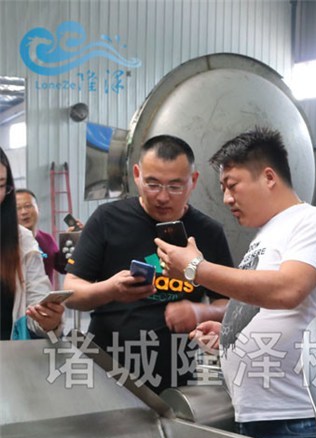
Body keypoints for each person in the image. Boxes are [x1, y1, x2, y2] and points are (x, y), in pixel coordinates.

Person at [155, 126, 316, 438]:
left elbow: (288, 290)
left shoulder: (314, 222)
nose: (227, 199)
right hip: (258, 416)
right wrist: (231, 331)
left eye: (232, 186)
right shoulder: (265, 235)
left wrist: (195, 268)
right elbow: (262, 301)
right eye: (223, 189)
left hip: (296, 419)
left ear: (269, 177)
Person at [63, 134, 234, 391]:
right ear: (136, 175)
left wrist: (200, 312)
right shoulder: (107, 219)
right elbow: (71, 291)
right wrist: (110, 289)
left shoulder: (209, 232)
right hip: (106, 369)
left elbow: (228, 302)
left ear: (193, 181)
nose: (163, 197)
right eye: (152, 184)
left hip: (174, 374)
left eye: (175, 186)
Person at [0, 148, 64, 339]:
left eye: (1, 185)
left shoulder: (23, 240)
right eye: (20, 207)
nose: (25, 212)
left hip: (7, 354)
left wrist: (48, 321)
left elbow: (35, 306)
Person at [15, 188, 66, 287]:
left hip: (44, 296)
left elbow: (65, 267)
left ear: (38, 208)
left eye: (28, 206)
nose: (24, 212)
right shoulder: (7, 243)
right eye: (17, 208)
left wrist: (74, 239)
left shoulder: (47, 239)